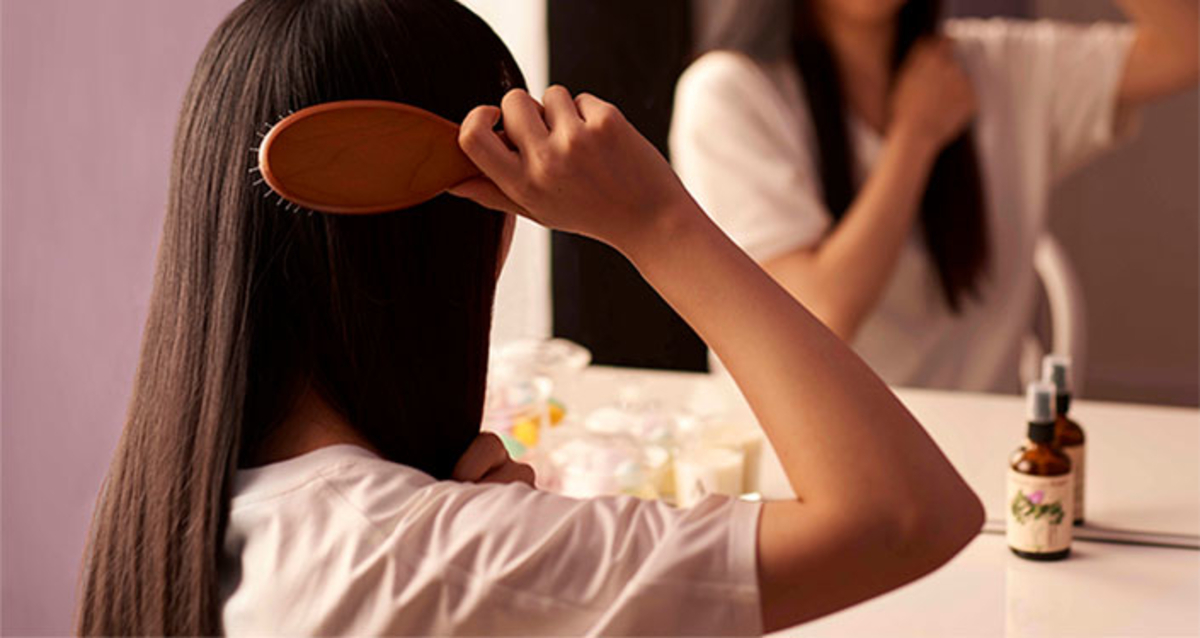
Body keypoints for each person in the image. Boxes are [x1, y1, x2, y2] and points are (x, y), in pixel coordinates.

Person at [76, 0, 983, 635]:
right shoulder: (427, 560)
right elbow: (909, 515)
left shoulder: (173, 524)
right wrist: (659, 223)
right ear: (450, 239)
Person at [671, 0, 1199, 392]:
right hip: (803, 468)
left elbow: (1187, 49)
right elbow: (818, 316)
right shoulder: (728, 92)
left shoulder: (992, 65)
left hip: (984, 457)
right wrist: (915, 137)